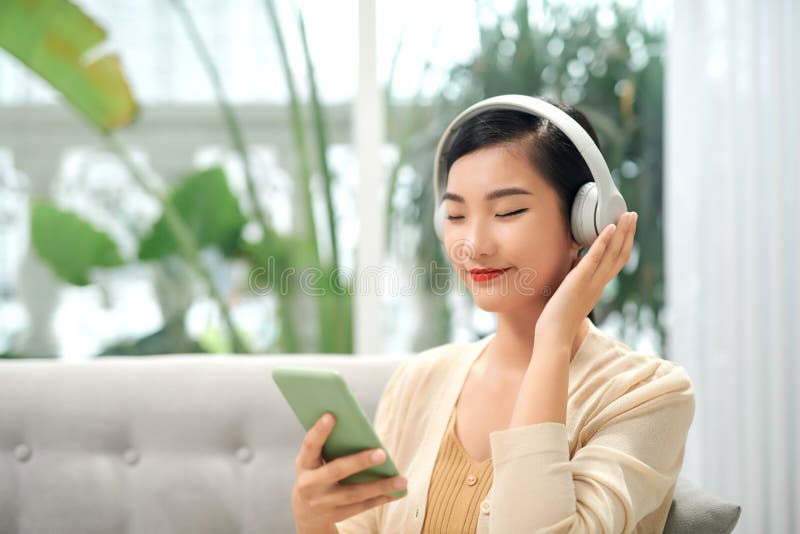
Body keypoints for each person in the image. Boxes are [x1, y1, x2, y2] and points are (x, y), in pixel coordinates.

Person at [290, 98, 695, 534]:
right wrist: (314, 521)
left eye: (507, 212)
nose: (473, 244)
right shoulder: (417, 381)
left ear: (586, 222)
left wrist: (553, 338)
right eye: (457, 215)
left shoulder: (647, 395)